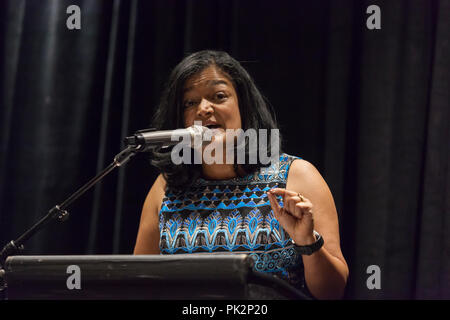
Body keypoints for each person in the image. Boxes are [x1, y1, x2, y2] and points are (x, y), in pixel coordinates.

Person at [133, 50, 349, 299]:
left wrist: (307, 241)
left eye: (219, 96)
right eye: (189, 103)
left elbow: (332, 292)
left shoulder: (296, 176)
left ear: (243, 105)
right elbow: (141, 285)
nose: (203, 108)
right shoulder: (166, 187)